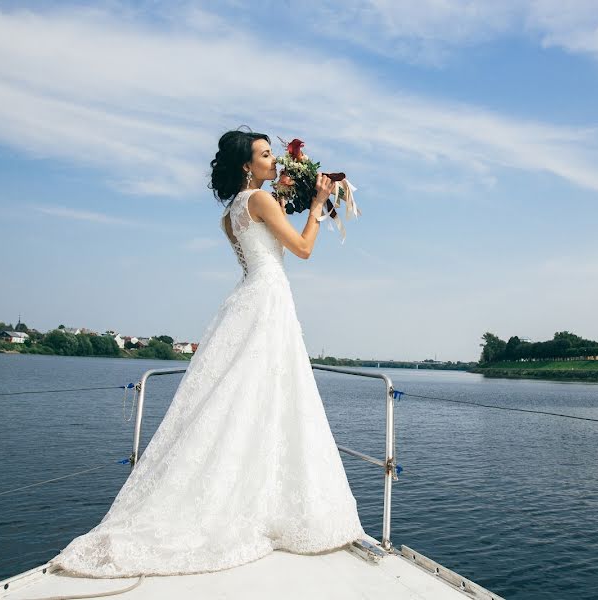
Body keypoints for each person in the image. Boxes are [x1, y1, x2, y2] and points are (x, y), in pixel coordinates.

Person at [48, 128, 366, 577]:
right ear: (246, 165)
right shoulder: (260, 202)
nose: (273, 160)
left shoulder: (233, 211)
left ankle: (250, 499)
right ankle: (267, 505)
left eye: (274, 154)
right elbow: (303, 249)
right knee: (268, 396)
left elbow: (262, 233)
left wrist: (282, 192)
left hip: (249, 296)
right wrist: (316, 206)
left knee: (239, 399)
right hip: (269, 299)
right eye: (265, 155)